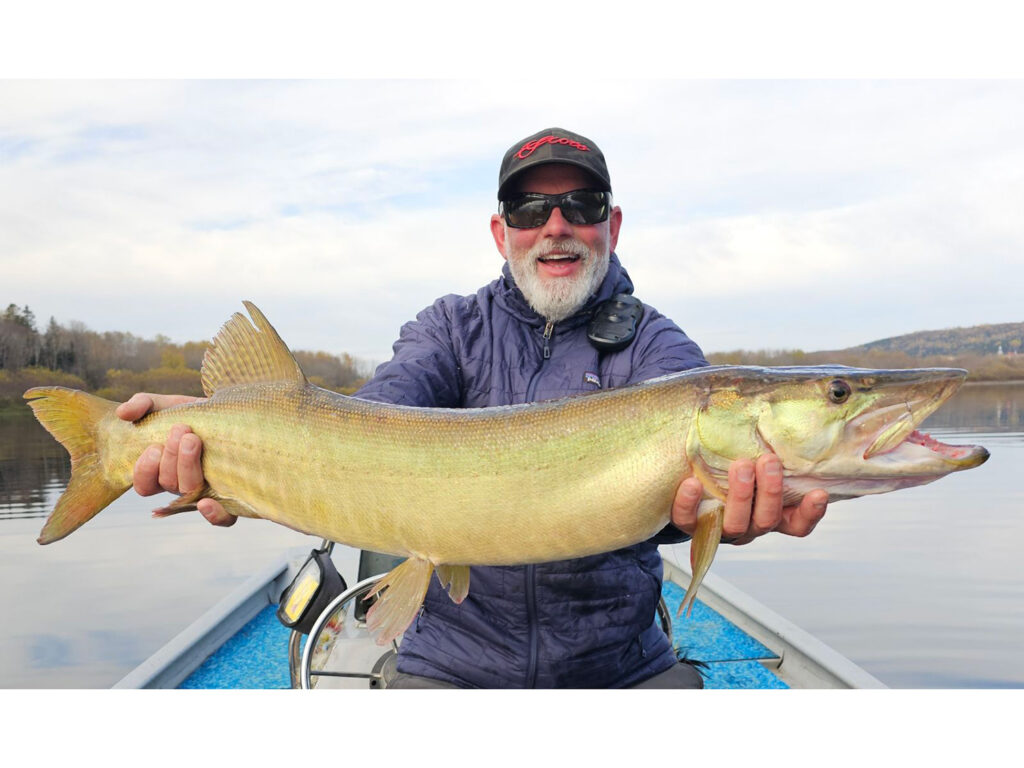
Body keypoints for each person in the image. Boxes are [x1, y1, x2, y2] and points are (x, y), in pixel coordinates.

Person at [116, 128, 829, 688]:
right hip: (451, 662)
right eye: (530, 208)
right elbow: (374, 417)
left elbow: (681, 501)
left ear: (611, 225)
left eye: (580, 207)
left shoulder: (658, 348)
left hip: (618, 668)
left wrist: (716, 516)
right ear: (501, 232)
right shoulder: (451, 328)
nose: (556, 224)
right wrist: (235, 456)